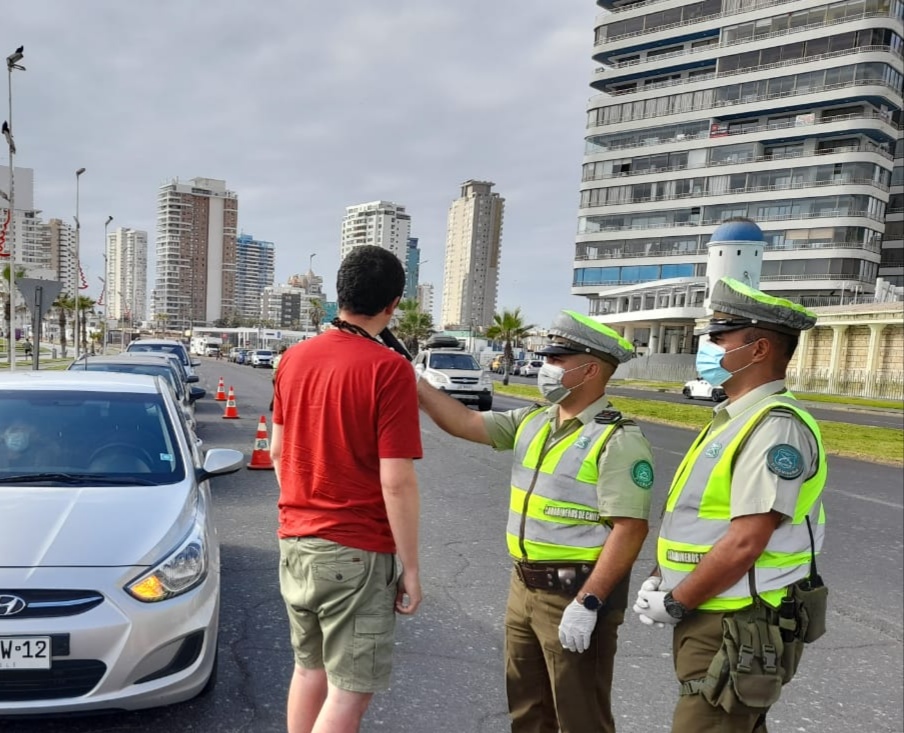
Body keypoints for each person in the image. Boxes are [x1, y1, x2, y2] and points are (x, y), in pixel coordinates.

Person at [417, 310, 654, 733]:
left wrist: (589, 602)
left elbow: (630, 528)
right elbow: (464, 422)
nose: (547, 367)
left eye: (558, 360)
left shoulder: (617, 440)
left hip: (576, 593)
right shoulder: (535, 421)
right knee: (527, 711)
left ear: (591, 369)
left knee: (581, 718)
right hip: (523, 587)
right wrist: (413, 383)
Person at [632, 277, 827, 733]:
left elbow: (745, 542)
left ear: (758, 350)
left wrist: (678, 601)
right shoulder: (734, 418)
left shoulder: (774, 427)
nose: (709, 348)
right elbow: (701, 521)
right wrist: (663, 576)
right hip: (717, 612)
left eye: (720, 338)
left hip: (739, 619)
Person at [270, 245, 423, 733]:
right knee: (349, 694)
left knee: (309, 669)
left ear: (341, 293)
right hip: (355, 551)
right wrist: (412, 568)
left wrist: (308, 504)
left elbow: (276, 453)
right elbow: (395, 481)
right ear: (393, 304)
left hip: (296, 542)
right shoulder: (388, 369)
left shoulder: (292, 359)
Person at [269, 344, 289, 412]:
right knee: (279, 392)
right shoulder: (283, 358)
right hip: (279, 376)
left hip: (275, 376)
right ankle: (274, 406)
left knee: (276, 392)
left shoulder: (277, 357)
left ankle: (273, 406)